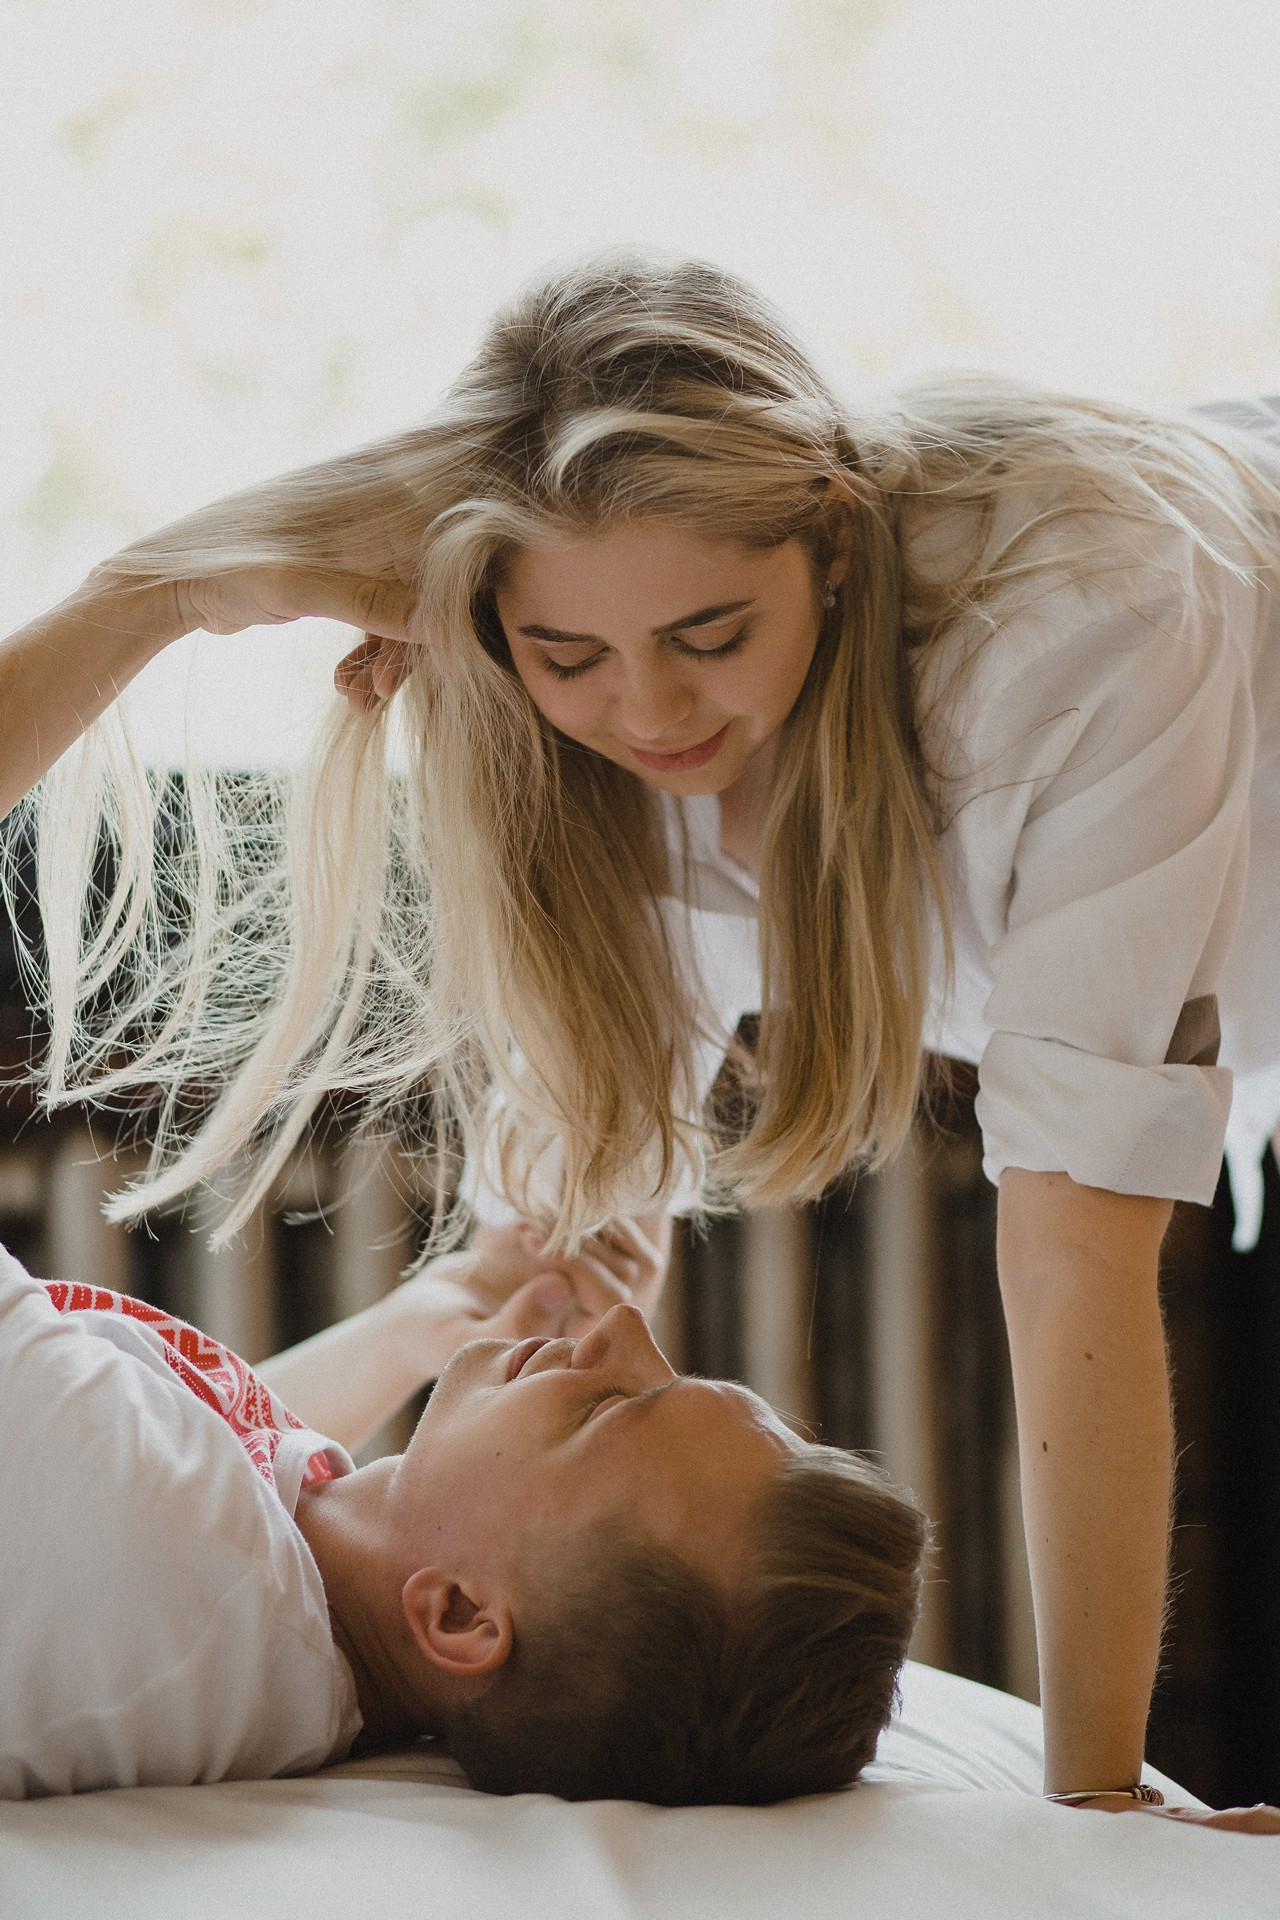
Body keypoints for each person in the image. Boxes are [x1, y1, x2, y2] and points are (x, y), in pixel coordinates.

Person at [4, 250, 1280, 1821]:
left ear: (833, 538)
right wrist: (471, 1308)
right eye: (567, 658)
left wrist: (1095, 1790)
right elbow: (539, 1217)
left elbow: (1075, 1232)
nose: (651, 711)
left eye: (710, 633)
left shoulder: (1098, 610)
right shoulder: (250, 1601)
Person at [0, 1222, 928, 1804]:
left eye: (611, 1408)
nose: (624, 1332)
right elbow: (198, 1456)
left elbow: (130, 1472)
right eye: (672, 1372)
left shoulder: (158, 1533)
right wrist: (412, 1330)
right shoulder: (262, 1606)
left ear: (460, 1615)